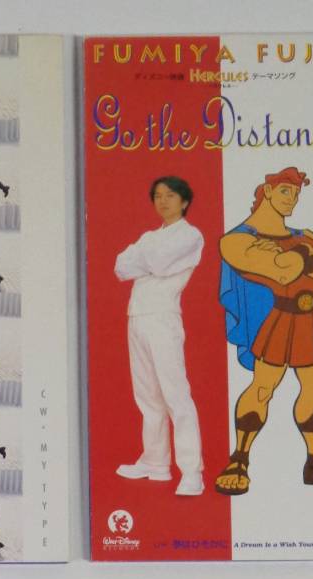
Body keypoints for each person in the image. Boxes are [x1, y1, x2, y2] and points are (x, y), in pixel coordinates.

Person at [215, 166, 313, 495]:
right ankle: (239, 459)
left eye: (296, 194)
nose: (292, 199)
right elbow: (282, 273)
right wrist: (310, 258)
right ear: (267, 191)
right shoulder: (237, 239)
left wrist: (299, 257)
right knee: (263, 388)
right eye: (285, 191)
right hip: (279, 321)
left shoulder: (303, 236)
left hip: (310, 321)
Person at [113, 176, 205, 497]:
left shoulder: (191, 235)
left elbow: (160, 263)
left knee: (175, 395)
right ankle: (155, 462)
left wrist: (144, 260)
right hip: (137, 316)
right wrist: (147, 261)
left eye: (170, 195)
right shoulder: (150, 236)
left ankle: (192, 472)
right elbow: (121, 267)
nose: (162, 201)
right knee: (148, 397)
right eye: (157, 196)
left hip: (163, 317)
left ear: (185, 201)